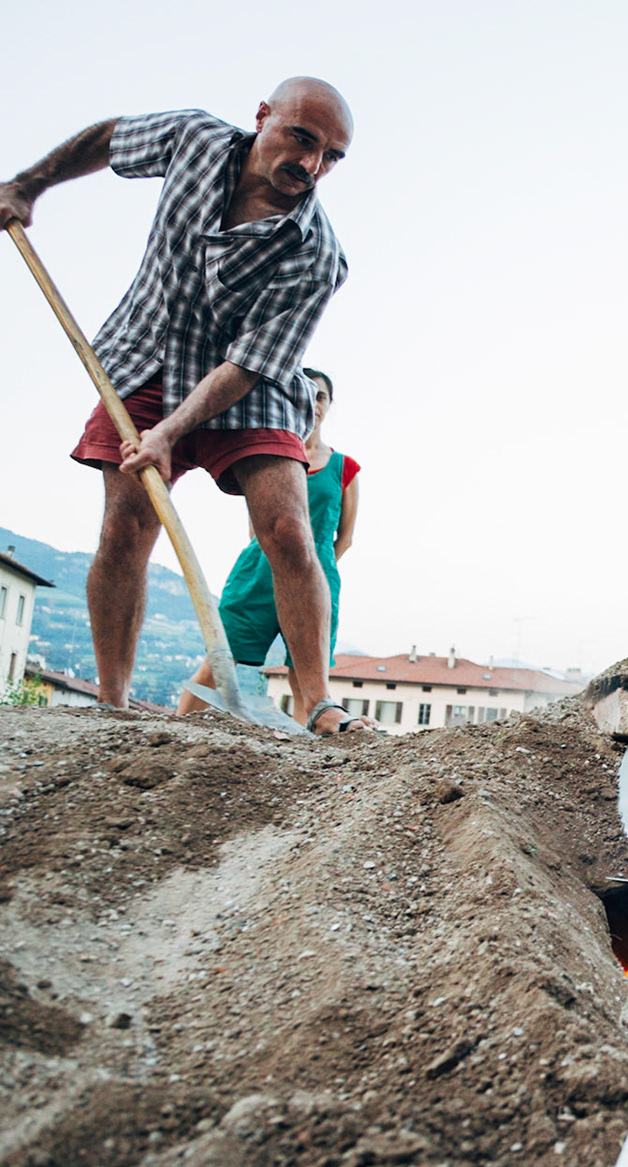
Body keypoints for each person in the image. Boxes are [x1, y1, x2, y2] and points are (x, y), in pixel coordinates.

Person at [0, 79, 363, 734]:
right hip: (150, 356)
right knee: (125, 525)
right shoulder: (195, 140)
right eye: (301, 139)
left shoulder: (317, 254)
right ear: (262, 117)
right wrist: (30, 183)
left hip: (249, 385)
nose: (311, 166)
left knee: (286, 527)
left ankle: (317, 702)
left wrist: (171, 431)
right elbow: (110, 139)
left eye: (331, 156)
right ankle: (112, 705)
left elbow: (250, 363)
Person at [179, 368, 368, 725]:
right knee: (220, 659)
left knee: (305, 672)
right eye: (304, 390)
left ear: (329, 405)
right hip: (257, 571)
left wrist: (316, 568)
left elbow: (345, 537)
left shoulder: (346, 467)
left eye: (321, 395)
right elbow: (256, 526)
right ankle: (169, 731)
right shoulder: (268, 456)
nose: (312, 401)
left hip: (318, 574)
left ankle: (306, 750)